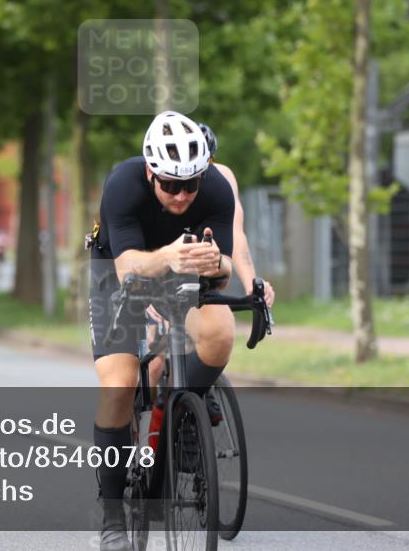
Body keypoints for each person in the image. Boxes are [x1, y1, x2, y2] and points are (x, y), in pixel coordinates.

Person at [87, 111, 234, 551]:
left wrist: (218, 263)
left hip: (181, 273)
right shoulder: (123, 184)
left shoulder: (216, 190)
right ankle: (113, 514)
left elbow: (222, 273)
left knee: (220, 333)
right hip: (117, 273)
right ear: (150, 172)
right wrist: (171, 254)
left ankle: (183, 409)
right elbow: (128, 265)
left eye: (191, 184)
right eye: (171, 185)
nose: (182, 195)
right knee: (118, 383)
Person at [196, 122, 276, 312]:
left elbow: (236, 234)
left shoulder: (222, 177)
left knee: (221, 333)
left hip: (204, 274)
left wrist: (252, 285)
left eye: (208, 165)